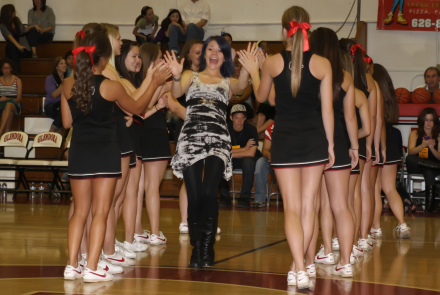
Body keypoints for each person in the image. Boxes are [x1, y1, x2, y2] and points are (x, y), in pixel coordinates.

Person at [61, 32, 170, 282]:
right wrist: (153, 81)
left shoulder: (68, 84)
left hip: (78, 152)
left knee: (79, 211)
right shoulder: (110, 86)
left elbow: (67, 122)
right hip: (105, 153)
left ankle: (72, 265)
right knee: (101, 211)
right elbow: (138, 108)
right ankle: (91, 267)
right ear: (105, 58)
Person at [238, 6, 335, 289]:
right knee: (308, 208)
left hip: (285, 140)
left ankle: (299, 268)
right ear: (309, 30)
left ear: (284, 32)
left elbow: (261, 97)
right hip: (314, 139)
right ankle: (299, 266)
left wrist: (255, 70)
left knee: (292, 209)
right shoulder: (323, 64)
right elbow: (327, 110)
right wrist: (330, 145)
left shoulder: (272, 63)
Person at [166, 35, 250, 268]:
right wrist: (174, 74)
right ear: (204, 54)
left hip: (218, 140)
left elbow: (242, 86)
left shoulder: (227, 80)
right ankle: (197, 242)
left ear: (224, 56)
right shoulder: (189, 76)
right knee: (194, 195)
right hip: (191, 138)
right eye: (210, 48)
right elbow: (176, 90)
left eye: (220, 50)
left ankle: (205, 248)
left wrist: (249, 69)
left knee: (208, 191)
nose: (214, 52)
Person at [309, 27, 358, 277]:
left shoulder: (312, 71)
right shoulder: (346, 77)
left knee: (316, 205)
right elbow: (350, 117)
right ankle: (346, 262)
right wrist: (355, 147)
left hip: (314, 141)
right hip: (339, 142)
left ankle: (326, 251)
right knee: (341, 205)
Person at [135, 43, 186, 246]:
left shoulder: (137, 82)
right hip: (154, 135)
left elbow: (176, 105)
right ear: (153, 61)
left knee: (138, 188)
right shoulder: (160, 84)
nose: (164, 62)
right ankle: (155, 232)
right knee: (151, 187)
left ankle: (137, 230)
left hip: (138, 135)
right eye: (160, 59)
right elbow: (172, 105)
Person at [340, 39, 378, 252]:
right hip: (360, 143)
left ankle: (346, 240)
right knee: (360, 192)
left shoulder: (338, 82)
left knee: (341, 197)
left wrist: (346, 140)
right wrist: (372, 144)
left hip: (347, 144)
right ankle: (358, 239)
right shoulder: (367, 82)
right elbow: (374, 118)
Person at [371, 63, 410, 238]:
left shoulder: (371, 92)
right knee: (390, 189)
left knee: (374, 189)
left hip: (376, 142)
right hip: (392, 142)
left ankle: (376, 228)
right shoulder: (390, 95)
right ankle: (403, 225)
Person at [173, 39, 203, 234]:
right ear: (188, 55)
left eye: (204, 51)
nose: (201, 55)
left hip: (208, 130)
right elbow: (175, 97)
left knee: (205, 176)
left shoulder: (212, 74)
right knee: (189, 176)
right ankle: (184, 220)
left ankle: (202, 218)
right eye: (197, 52)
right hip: (188, 127)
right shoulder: (187, 74)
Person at [219, 104, 261, 208]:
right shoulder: (225, 128)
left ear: (245, 118)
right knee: (220, 160)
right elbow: (220, 150)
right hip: (234, 157)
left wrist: (229, 153)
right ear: (231, 118)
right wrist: (244, 148)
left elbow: (251, 153)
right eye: (237, 118)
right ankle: (224, 196)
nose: (239, 121)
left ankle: (245, 197)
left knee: (248, 161)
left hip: (246, 160)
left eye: (242, 118)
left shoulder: (251, 129)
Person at [406, 107, 440, 212]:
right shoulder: (415, 134)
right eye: (426, 120)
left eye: (431, 120)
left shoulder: (438, 136)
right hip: (417, 166)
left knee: (428, 170)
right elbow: (410, 152)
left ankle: (429, 208)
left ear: (435, 121)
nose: (429, 123)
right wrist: (422, 145)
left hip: (432, 168)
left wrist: (432, 149)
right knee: (410, 158)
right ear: (422, 121)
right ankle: (435, 166)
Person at [0, 4, 32, 73]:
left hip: (23, 49)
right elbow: (9, 37)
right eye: (13, 11)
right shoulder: (2, 25)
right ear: (9, 13)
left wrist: (34, 26)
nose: (15, 12)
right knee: (10, 45)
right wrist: (18, 46)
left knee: (8, 57)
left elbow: (23, 30)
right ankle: (16, 68)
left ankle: (14, 69)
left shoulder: (16, 20)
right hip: (14, 48)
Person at [253, 121, 274, 208]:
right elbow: (265, 150)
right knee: (260, 162)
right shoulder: (272, 127)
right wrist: (270, 155)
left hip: (288, 161)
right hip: (272, 160)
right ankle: (259, 199)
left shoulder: (296, 123)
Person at [0, 58, 22, 137]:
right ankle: (5, 135)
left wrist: (7, 99)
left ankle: (0, 132)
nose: (6, 70)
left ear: (11, 69)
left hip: (14, 105)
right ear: (1, 69)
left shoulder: (17, 80)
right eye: (4, 68)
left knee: (9, 105)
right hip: (1, 105)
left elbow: (19, 99)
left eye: (8, 68)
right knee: (9, 113)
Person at [44, 56, 67, 132]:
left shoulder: (68, 78)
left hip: (63, 105)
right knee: (64, 111)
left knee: (67, 111)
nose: (64, 65)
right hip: (51, 105)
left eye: (65, 63)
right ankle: (51, 132)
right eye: (61, 63)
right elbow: (54, 95)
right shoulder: (50, 78)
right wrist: (63, 83)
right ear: (56, 67)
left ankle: (57, 135)